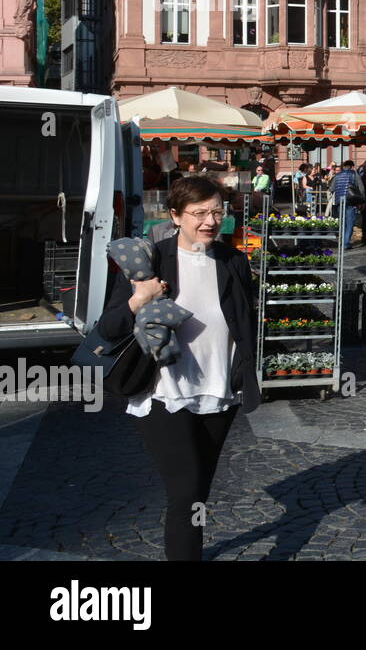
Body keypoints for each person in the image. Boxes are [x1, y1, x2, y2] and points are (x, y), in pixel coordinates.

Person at [98, 176, 259, 560]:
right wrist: (139, 300)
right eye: (199, 213)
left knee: (198, 492)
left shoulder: (234, 261)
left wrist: (245, 370)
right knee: (186, 491)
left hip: (220, 389)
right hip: (163, 393)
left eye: (217, 211)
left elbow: (244, 320)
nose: (209, 221)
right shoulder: (151, 259)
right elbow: (107, 328)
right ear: (175, 215)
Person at [332, 160, 362, 248]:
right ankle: (345, 243)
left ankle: (342, 241)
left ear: (344, 167)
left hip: (339, 201)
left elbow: (331, 188)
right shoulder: (355, 174)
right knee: (350, 222)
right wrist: (362, 201)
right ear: (352, 166)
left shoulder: (337, 175)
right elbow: (361, 188)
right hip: (351, 201)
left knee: (342, 222)